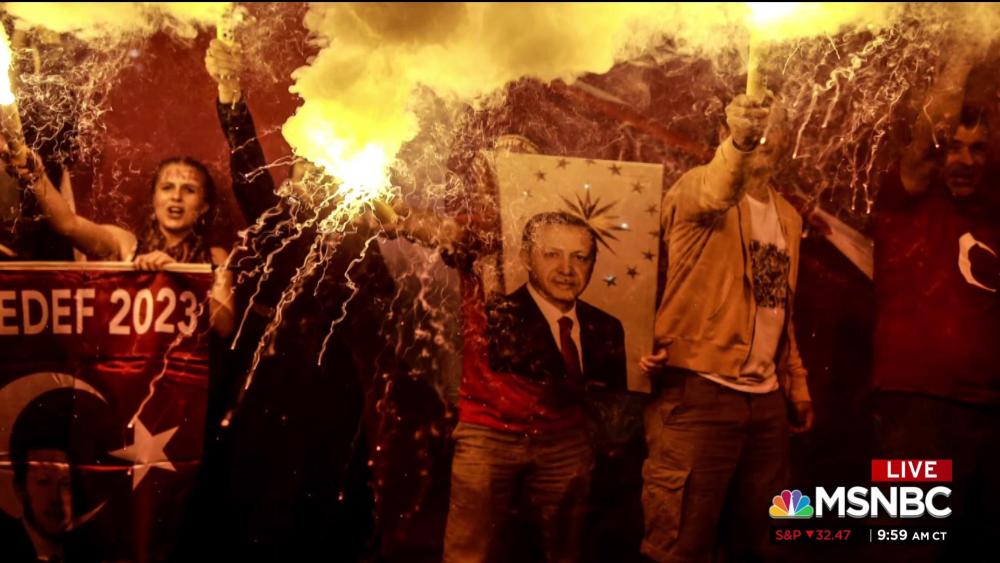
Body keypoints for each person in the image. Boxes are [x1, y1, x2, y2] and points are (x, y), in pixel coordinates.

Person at [194, 38, 398, 561]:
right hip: (267, 368)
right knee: (254, 481)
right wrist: (230, 92)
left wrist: (375, 224)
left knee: (323, 486)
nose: (315, 178)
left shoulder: (360, 238)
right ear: (291, 179)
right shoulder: (274, 217)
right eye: (306, 169)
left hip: (330, 379)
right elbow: (246, 163)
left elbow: (385, 307)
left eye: (326, 172)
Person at [638, 93, 813, 562]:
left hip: (766, 404)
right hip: (698, 393)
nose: (760, 135)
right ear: (725, 135)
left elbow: (780, 307)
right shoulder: (697, 191)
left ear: (784, 140)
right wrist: (740, 142)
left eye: (770, 126)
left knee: (762, 546)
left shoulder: (789, 218)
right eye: (748, 126)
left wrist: (796, 383)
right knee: (682, 547)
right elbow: (719, 187)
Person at [871, 42, 1000, 560]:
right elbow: (928, 133)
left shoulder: (992, 218)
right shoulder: (906, 201)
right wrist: (968, 39)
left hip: (985, 415)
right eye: (954, 148)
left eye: (978, 149)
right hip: (913, 410)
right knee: (910, 548)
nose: (965, 161)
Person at [0, 141, 235, 337]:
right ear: (154, 198)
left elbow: (225, 326)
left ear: (204, 206)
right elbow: (68, 224)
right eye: (167, 187)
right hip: (132, 372)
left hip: (185, 374)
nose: (176, 197)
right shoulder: (126, 245)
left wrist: (177, 275)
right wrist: (37, 175)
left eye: (189, 190)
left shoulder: (215, 257)